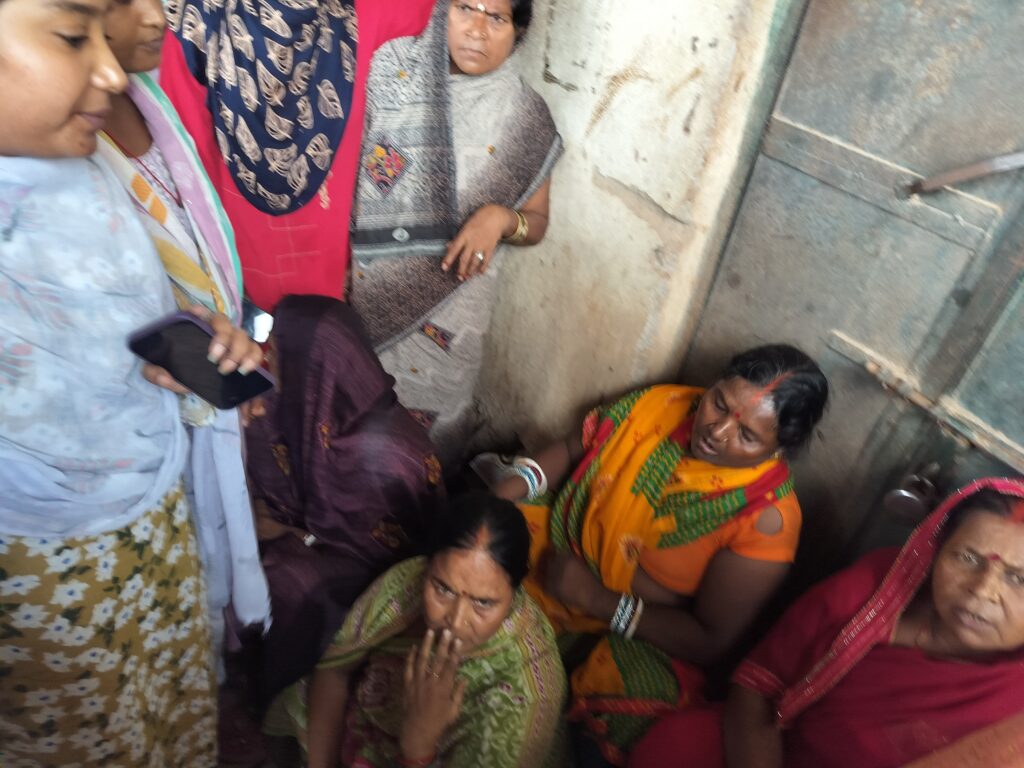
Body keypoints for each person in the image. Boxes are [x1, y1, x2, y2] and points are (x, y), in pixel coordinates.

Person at [0, 0, 257, 762]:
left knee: (162, 712)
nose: (111, 72)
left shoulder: (75, 168)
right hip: (47, 563)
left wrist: (180, 334)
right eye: (72, 36)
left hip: (149, 512)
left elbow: (99, 314)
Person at [484, 344, 830, 764]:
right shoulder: (663, 406)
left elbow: (709, 639)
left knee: (631, 712)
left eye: (747, 435)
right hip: (561, 552)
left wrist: (596, 598)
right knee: (478, 548)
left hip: (639, 630)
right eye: (719, 404)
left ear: (780, 448)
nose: (717, 431)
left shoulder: (766, 521)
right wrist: (507, 492)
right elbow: (574, 447)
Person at [629, 477, 1024, 768]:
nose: (982, 591)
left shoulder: (1015, 716)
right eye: (967, 558)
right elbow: (758, 685)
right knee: (679, 745)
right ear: (936, 551)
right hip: (775, 753)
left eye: (1018, 579)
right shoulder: (879, 588)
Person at [98, 0, 272, 660]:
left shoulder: (152, 100)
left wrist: (233, 339)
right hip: (136, 430)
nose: (157, 16)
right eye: (123, 1)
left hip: (202, 381)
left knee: (208, 548)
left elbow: (203, 254)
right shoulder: (58, 151)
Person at [349, 0, 561, 467]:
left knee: (422, 453)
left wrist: (502, 219)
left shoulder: (527, 118)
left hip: (453, 315)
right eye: (466, 7)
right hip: (362, 293)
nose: (478, 29)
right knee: (350, 426)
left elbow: (538, 222)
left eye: (497, 18)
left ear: (518, 33)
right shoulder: (389, 75)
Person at [159, 0, 437, 312]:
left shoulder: (360, 11)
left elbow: (447, 20)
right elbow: (185, 165)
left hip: (338, 286)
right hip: (233, 290)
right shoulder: (195, 24)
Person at [265, 492, 567, 768]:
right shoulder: (412, 580)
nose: (456, 621)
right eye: (443, 589)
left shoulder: (523, 700)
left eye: (483, 603)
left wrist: (418, 747)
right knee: (301, 678)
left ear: (515, 593)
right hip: (372, 721)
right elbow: (335, 668)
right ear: (429, 565)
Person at [243, 295, 445, 706]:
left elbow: (391, 558)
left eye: (282, 352)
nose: (271, 359)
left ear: (323, 363)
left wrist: (292, 534)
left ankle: (267, 695)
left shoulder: (389, 458)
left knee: (286, 581)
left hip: (372, 575)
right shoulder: (307, 404)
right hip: (307, 531)